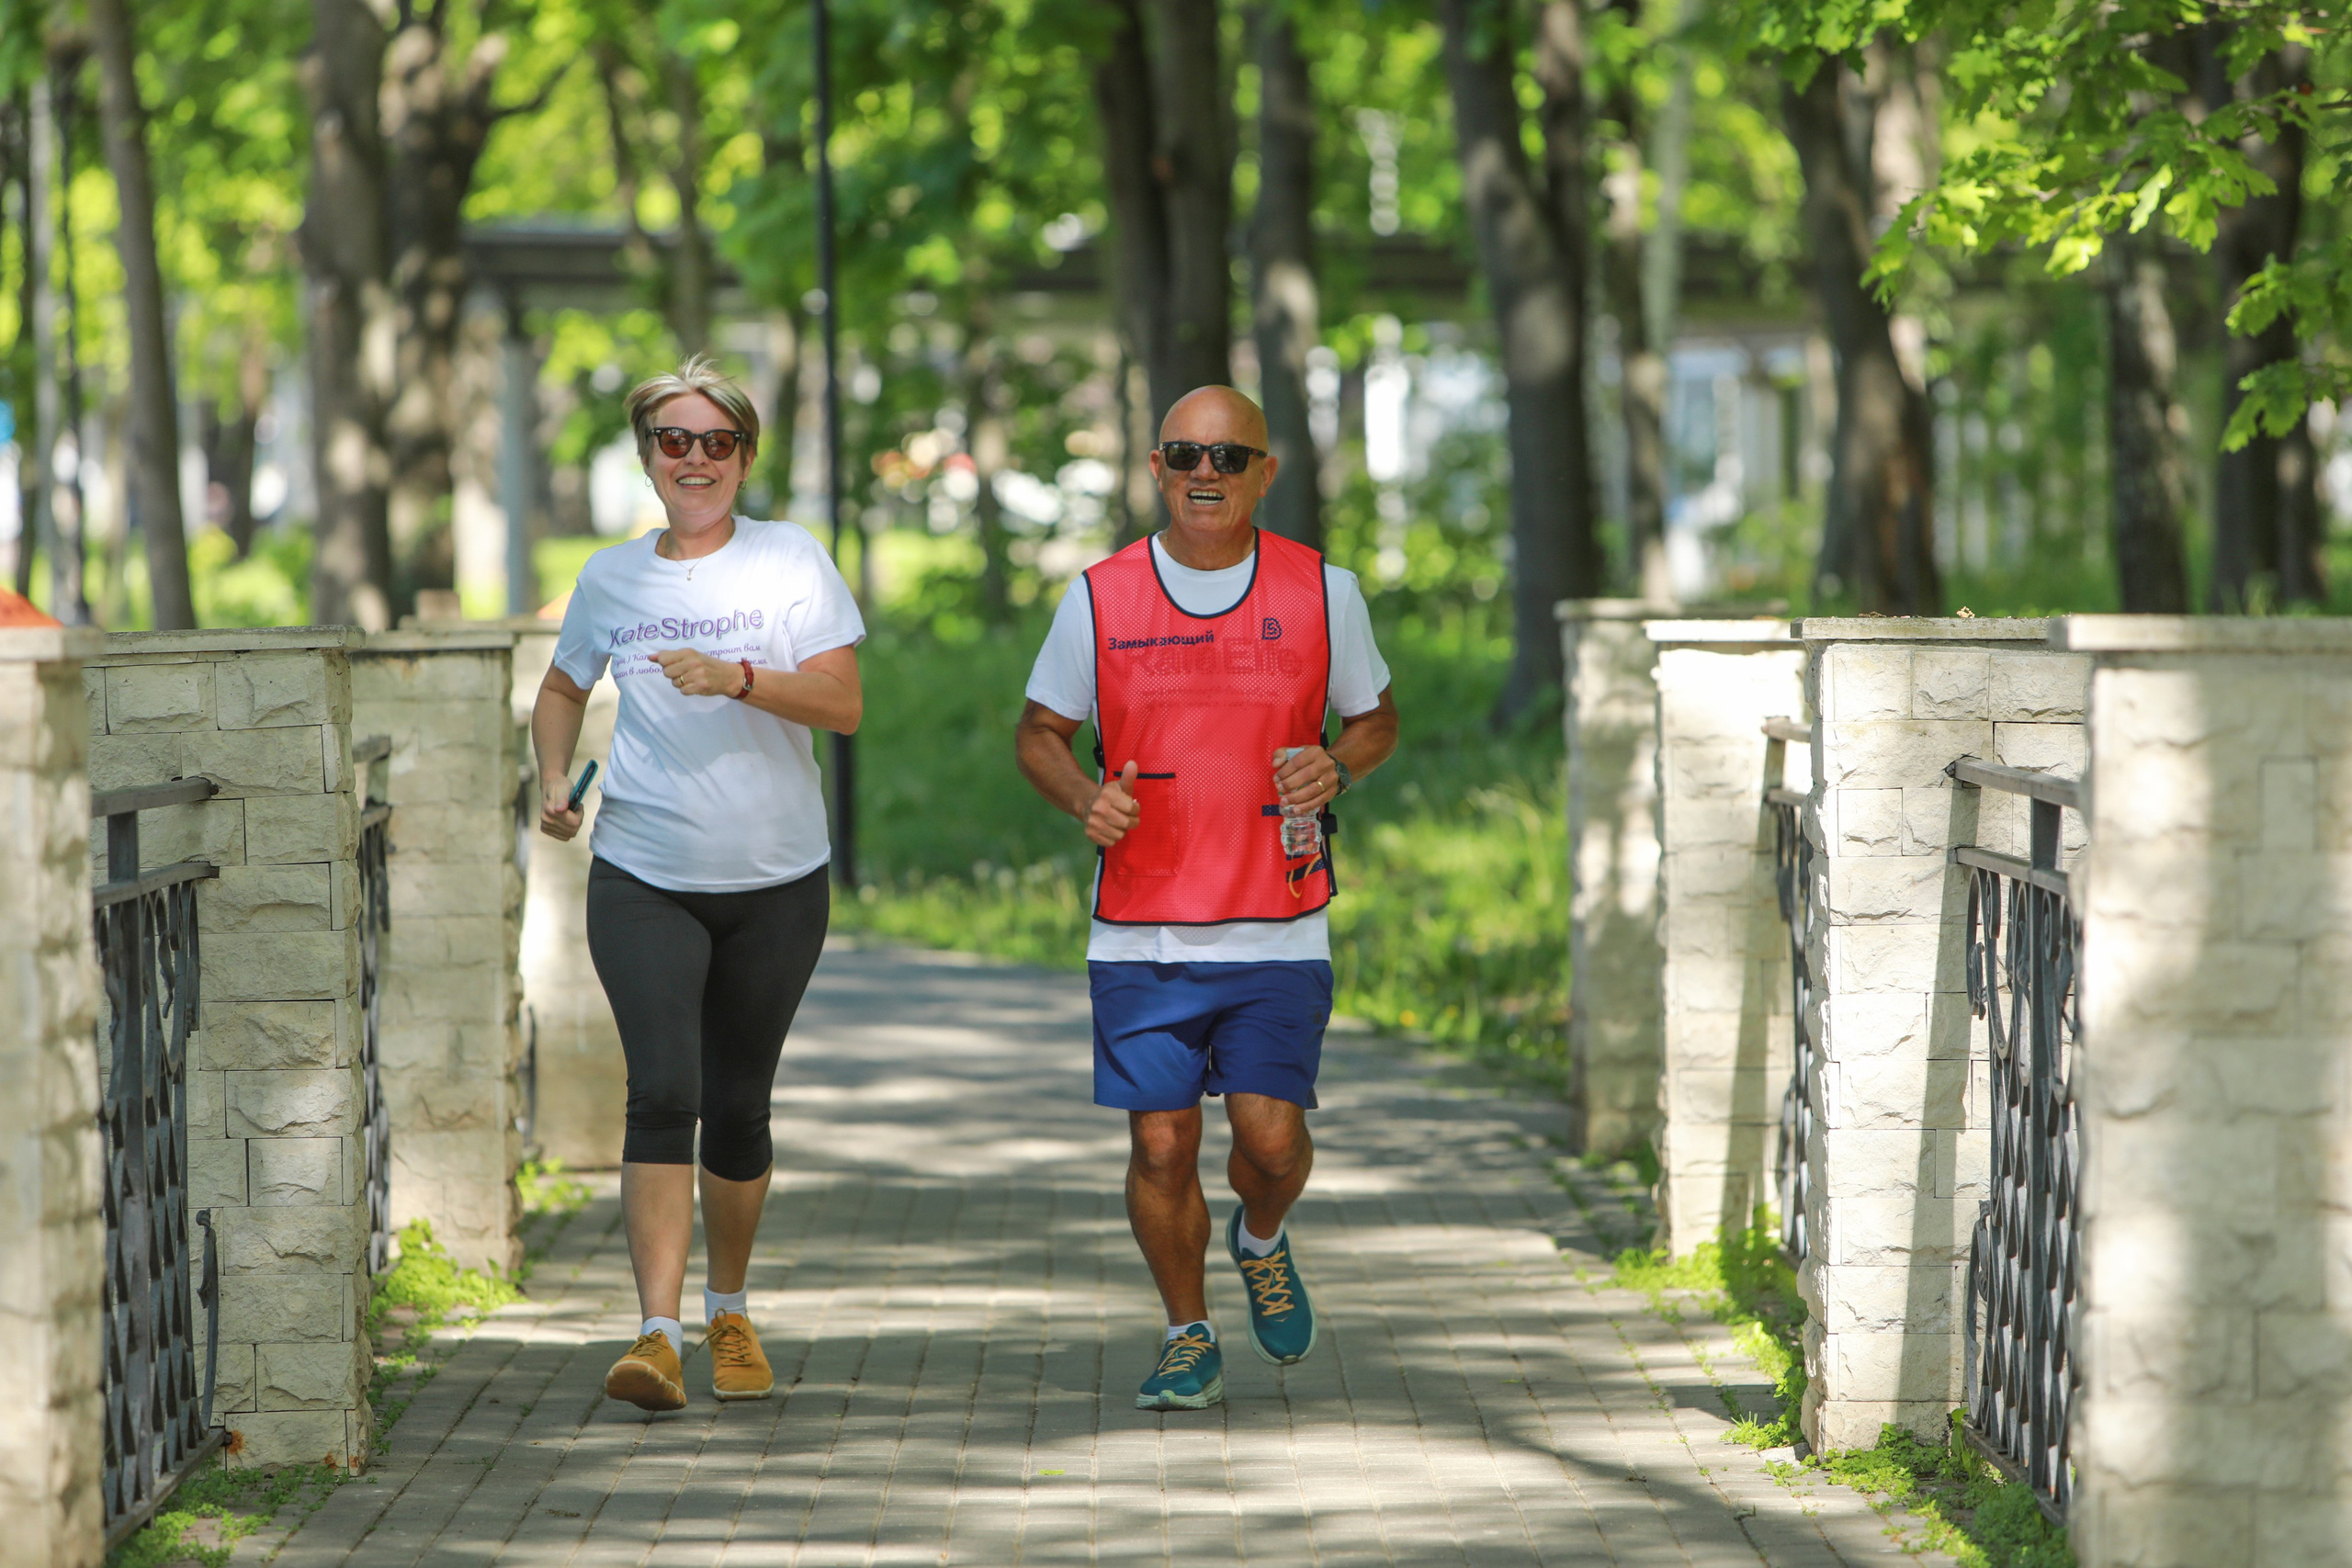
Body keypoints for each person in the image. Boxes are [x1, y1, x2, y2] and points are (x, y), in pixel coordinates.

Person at [1015, 386, 1399, 1411]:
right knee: (1160, 1140)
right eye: (1185, 453)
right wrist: (1083, 799)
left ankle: (1261, 1238)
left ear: (1265, 474)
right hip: (1141, 928)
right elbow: (1038, 731)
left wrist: (1336, 766)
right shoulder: (1099, 595)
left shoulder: (1326, 591)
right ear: (1155, 467)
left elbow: (1373, 720)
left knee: (1268, 1141)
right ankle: (1186, 1332)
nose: (1205, 474)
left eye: (1230, 459)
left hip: (1278, 916)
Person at [533, 355, 864, 1413]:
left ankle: (730, 1310)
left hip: (776, 880)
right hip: (644, 870)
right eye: (674, 441)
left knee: (738, 1103)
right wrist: (551, 777)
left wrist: (742, 678)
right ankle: (656, 1335)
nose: (695, 459)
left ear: (744, 457)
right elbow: (560, 685)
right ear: (648, 457)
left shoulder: (791, 561)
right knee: (662, 1090)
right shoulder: (612, 577)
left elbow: (845, 705)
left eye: (716, 442)